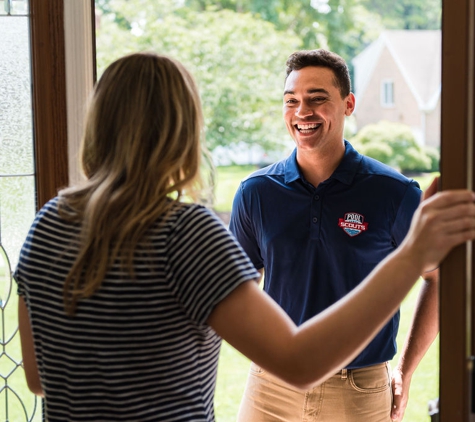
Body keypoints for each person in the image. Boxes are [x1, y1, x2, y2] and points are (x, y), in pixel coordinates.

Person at [15, 52, 475, 422]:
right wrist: (412, 255)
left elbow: (39, 377)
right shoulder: (187, 232)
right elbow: (298, 362)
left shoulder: (47, 224)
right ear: (181, 128)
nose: (301, 112)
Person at [229, 48, 437, 421]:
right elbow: (231, 290)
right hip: (269, 390)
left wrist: (404, 368)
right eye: (291, 101)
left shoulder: (395, 193)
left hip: (358, 390)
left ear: (349, 104)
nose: (302, 112)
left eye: (317, 99)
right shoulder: (256, 192)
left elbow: (440, 278)